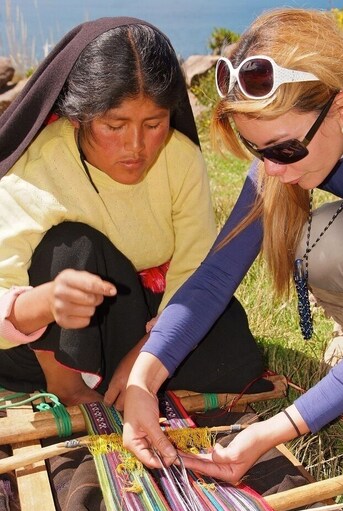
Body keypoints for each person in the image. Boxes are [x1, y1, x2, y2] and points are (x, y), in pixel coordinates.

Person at [121, 7, 343, 475]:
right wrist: (143, 379)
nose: (273, 171)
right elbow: (216, 275)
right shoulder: (293, 148)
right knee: (325, 245)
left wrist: (278, 427)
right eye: (258, 150)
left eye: (284, 149)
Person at [0, 17, 265, 407]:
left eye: (154, 123)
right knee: (71, 245)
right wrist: (47, 301)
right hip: (47, 340)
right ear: (79, 117)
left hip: (133, 316)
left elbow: (194, 270)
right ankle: (68, 385)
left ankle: (120, 375)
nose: (136, 146)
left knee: (231, 342)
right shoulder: (35, 171)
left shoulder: (181, 159)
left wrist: (146, 354)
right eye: (115, 125)